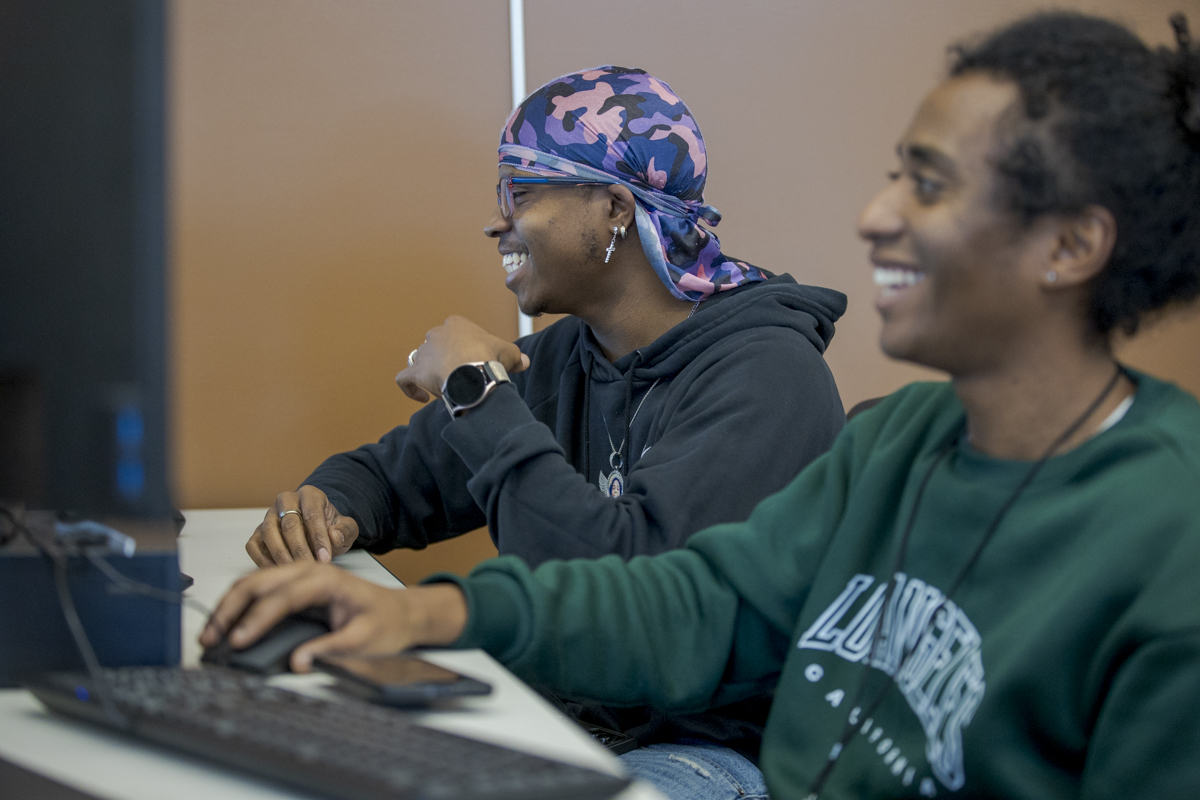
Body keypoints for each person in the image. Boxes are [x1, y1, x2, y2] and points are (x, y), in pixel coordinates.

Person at [205, 12, 1200, 800]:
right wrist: (425, 611)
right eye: (898, 174)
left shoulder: (1170, 535)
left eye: (928, 184)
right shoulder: (901, 438)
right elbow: (695, 604)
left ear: (1071, 246)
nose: (875, 213)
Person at [244, 68, 846, 769]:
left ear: (616, 208)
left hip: (707, 752)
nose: (497, 220)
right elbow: (386, 479)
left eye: (521, 193)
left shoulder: (766, 376)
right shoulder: (569, 356)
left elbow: (626, 615)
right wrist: (329, 508)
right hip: (568, 721)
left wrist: (474, 389)